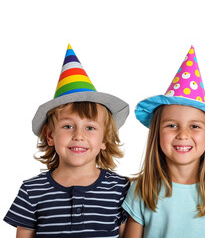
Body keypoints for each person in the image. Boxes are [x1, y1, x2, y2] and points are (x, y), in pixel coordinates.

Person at [4, 44, 130, 238]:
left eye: (90, 128)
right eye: (68, 126)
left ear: (105, 139)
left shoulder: (120, 188)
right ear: (50, 136)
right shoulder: (32, 190)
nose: (79, 136)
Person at [122, 46, 205, 238]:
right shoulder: (141, 190)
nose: (183, 135)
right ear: (157, 133)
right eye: (172, 125)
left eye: (194, 126)